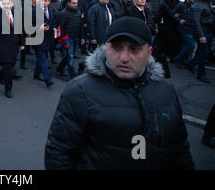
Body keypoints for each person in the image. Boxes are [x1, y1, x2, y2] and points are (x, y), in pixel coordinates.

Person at [45, 17, 195, 170]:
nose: (124, 58)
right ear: (106, 48)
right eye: (117, 48)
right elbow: (59, 153)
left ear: (149, 52)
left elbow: (180, 151)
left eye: (134, 49)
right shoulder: (80, 91)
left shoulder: (166, 91)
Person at [0, 0, 25, 98]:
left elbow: (20, 30)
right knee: (8, 66)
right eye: (3, 4)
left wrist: (22, 43)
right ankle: (8, 89)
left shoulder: (16, 15)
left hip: (14, 45)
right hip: (2, 45)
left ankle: (0, 74)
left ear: (11, 4)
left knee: (11, 64)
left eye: (8, 3)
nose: (6, 6)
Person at [56, 0, 85, 80]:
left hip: (76, 37)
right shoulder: (64, 13)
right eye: (73, 3)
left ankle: (60, 68)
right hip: (68, 38)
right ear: (68, 3)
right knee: (70, 56)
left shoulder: (78, 12)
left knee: (69, 56)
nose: (76, 5)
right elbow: (60, 28)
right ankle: (72, 76)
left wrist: (82, 38)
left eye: (76, 3)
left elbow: (81, 26)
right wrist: (62, 40)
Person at [190, 0, 214, 83]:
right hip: (203, 32)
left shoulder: (206, 2)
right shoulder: (198, 4)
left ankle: (191, 63)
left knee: (203, 52)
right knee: (203, 53)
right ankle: (201, 74)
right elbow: (196, 21)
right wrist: (201, 35)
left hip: (208, 31)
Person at [32, 0, 55, 87]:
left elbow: (52, 23)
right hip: (38, 39)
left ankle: (36, 74)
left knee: (41, 58)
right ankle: (48, 79)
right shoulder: (34, 12)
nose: (44, 2)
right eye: (42, 1)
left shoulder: (51, 11)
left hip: (48, 39)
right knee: (43, 60)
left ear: (49, 2)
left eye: (46, 1)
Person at [173, 0, 196, 70]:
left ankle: (183, 60)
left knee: (187, 45)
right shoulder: (181, 5)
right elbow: (173, 14)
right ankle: (178, 59)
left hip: (192, 28)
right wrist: (179, 20)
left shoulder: (194, 5)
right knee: (191, 45)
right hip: (184, 28)